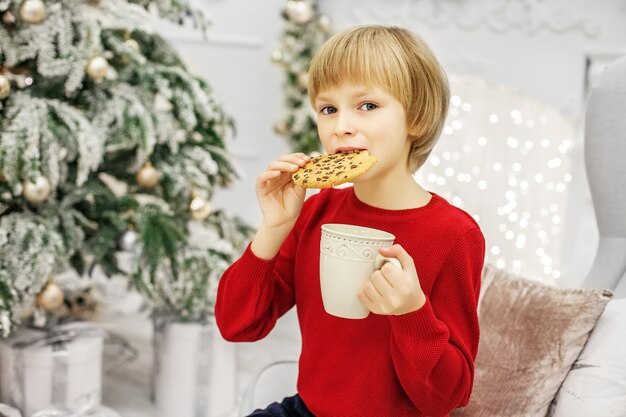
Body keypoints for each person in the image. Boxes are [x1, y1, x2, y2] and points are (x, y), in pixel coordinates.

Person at [215, 25, 485, 417]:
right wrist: (273, 228)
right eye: (328, 109)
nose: (341, 125)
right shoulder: (315, 212)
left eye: (367, 106)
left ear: (417, 118)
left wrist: (411, 311)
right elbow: (236, 325)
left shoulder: (454, 234)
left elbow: (449, 396)